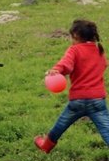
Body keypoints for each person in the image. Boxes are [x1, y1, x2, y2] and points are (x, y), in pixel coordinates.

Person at [34, 19, 109, 153]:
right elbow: (104, 65)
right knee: (106, 130)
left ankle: (46, 145)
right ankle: (46, 145)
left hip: (78, 100)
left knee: (61, 124)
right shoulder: (99, 50)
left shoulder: (74, 50)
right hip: (97, 100)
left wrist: (56, 70)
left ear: (76, 35)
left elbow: (66, 64)